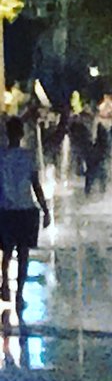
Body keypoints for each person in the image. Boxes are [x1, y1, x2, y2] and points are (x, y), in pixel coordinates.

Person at [0, 117, 51, 311]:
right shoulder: (28, 157)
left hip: (5, 210)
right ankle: (19, 293)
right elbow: (36, 185)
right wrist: (45, 210)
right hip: (26, 210)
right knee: (23, 254)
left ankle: (5, 284)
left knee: (6, 251)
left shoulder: (1, 156)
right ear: (21, 134)